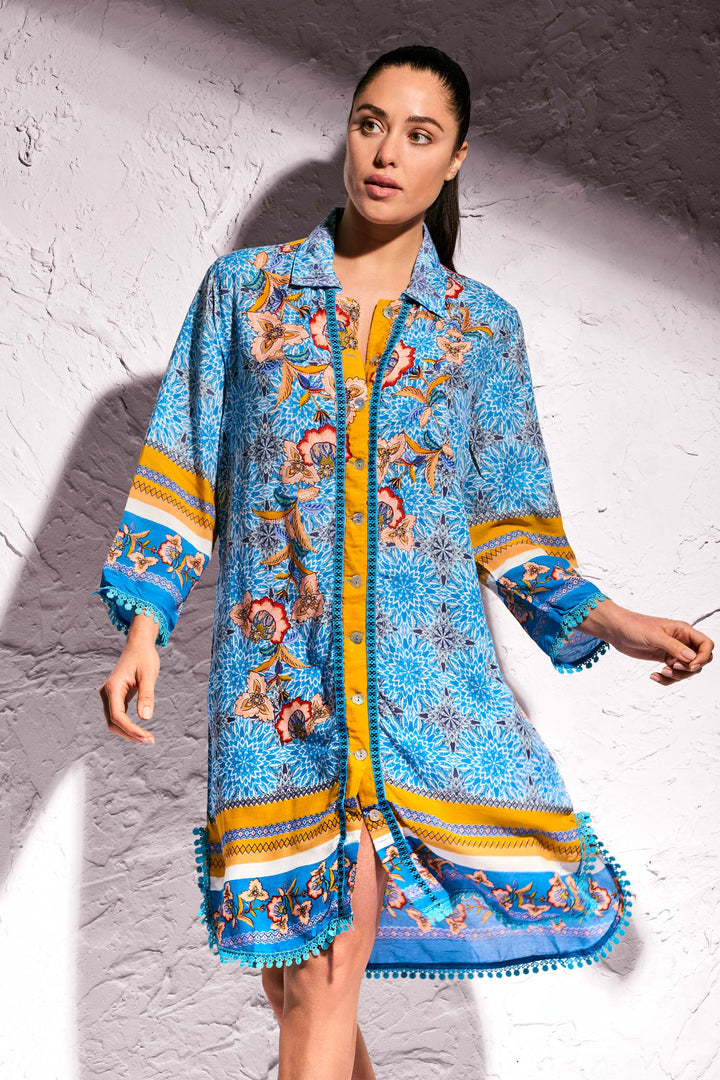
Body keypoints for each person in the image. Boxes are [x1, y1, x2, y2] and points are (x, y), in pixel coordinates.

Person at [96, 44, 713, 1080]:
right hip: (274, 703)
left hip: (418, 706)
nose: (387, 153)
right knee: (296, 985)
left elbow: (510, 524)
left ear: (455, 158)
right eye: (371, 123)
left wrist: (618, 622)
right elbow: (185, 467)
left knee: (319, 986)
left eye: (420, 135)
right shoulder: (246, 293)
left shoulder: (480, 332)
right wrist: (145, 630)